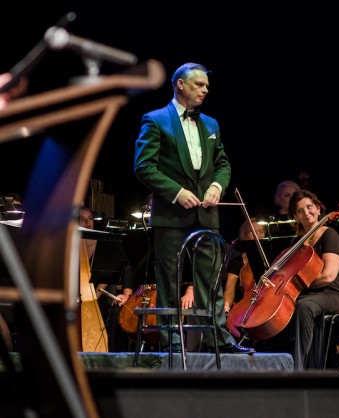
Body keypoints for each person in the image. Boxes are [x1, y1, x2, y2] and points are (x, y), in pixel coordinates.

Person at [133, 62, 252, 354]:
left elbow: (223, 164)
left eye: (207, 86)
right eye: (199, 84)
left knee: (210, 281)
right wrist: (177, 192)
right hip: (171, 215)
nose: (205, 90)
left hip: (206, 214)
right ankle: (173, 344)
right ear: (180, 84)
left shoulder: (210, 124)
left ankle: (219, 340)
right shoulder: (156, 119)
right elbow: (143, 166)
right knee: (170, 282)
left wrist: (217, 186)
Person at [258, 190, 339, 370]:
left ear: (318, 208)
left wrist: (295, 286)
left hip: (335, 294)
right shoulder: (299, 243)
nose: (306, 212)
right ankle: (274, 365)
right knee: (280, 308)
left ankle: (299, 369)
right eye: (300, 211)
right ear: (295, 217)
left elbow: (329, 276)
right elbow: (286, 274)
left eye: (309, 207)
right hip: (313, 295)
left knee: (303, 306)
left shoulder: (330, 235)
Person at [78, 206, 136, 352]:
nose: (87, 223)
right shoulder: (70, 245)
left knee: (109, 311)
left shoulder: (103, 242)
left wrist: (126, 295)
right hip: (78, 296)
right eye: (82, 219)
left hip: (101, 296)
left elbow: (121, 267)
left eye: (90, 218)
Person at [223, 218, 267, 315]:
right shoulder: (237, 262)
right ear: (245, 236)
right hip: (247, 308)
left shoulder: (271, 258)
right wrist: (226, 305)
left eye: (261, 232)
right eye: (252, 232)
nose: (257, 236)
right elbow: (229, 289)